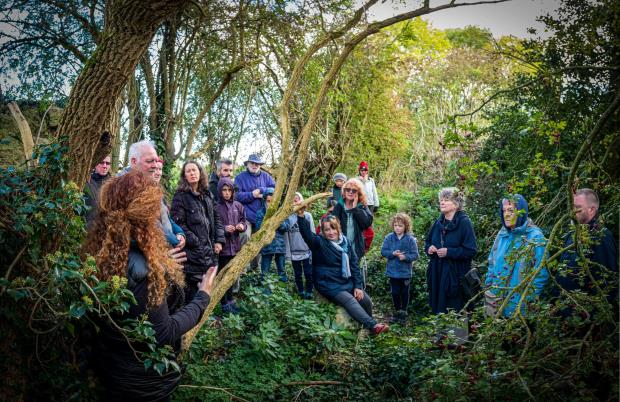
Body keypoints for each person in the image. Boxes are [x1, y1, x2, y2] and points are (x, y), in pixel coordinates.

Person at [85, 170, 218, 401]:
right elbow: (163, 332)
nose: (161, 212)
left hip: (113, 370)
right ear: (146, 213)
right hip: (143, 384)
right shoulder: (143, 270)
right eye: (157, 206)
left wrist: (162, 265)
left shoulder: (104, 249)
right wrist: (203, 297)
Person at [297, 213, 389, 335]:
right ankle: (373, 326)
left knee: (365, 299)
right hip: (328, 283)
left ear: (338, 228)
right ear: (323, 231)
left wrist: (357, 286)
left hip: (345, 281)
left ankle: (366, 326)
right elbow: (307, 235)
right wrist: (301, 217)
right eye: (327, 229)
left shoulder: (346, 242)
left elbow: (354, 265)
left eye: (333, 228)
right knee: (350, 300)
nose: (331, 232)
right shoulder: (319, 242)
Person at [119, 140, 187, 264]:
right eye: (150, 161)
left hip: (162, 257)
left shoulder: (150, 185)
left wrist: (179, 233)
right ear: (133, 162)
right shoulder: (121, 188)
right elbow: (133, 232)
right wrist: (169, 246)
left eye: (156, 160)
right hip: (140, 264)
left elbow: (163, 218)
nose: (155, 166)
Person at [485, 195, 548, 318]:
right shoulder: (502, 234)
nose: (506, 215)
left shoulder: (535, 237)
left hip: (519, 308)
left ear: (520, 212)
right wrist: (489, 289)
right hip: (495, 303)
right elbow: (492, 264)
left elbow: (541, 274)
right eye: (504, 211)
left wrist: (526, 300)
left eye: (510, 210)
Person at [171, 161, 225, 301]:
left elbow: (217, 218)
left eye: (194, 170)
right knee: (192, 291)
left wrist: (219, 240)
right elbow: (178, 225)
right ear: (184, 176)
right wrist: (197, 243)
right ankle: (192, 320)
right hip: (192, 253)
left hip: (210, 251)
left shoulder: (207, 195)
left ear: (200, 173)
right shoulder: (180, 196)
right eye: (188, 171)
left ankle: (204, 317)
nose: (192, 173)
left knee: (207, 286)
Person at [554, 189, 618, 300]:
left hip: (583, 311)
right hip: (564, 308)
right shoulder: (572, 233)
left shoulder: (601, 237)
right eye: (571, 207)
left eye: (577, 207)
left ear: (591, 210)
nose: (572, 212)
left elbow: (607, 284)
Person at [425, 188, 477, 314]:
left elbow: (471, 250)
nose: (442, 202)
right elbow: (427, 243)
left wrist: (450, 252)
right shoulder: (438, 222)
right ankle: (440, 334)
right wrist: (429, 249)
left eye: (446, 200)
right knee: (438, 309)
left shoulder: (464, 223)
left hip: (456, 277)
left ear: (456, 204)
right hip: (437, 273)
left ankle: (458, 334)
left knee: (455, 310)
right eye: (441, 200)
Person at [235, 154, 276, 269]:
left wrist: (261, 189)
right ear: (247, 164)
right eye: (252, 163)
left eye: (257, 163)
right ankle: (240, 267)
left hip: (261, 216)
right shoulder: (240, 178)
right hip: (245, 216)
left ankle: (255, 269)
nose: (254, 165)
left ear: (260, 165)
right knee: (245, 236)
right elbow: (236, 196)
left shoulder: (266, 177)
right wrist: (252, 194)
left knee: (257, 242)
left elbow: (274, 189)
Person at [381, 213, 419, 323]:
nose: (397, 228)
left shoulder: (410, 239)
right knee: (395, 292)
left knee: (404, 292)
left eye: (400, 226)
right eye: (396, 225)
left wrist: (405, 257)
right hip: (393, 272)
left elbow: (415, 255)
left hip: (405, 272)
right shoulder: (389, 238)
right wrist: (392, 253)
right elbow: (383, 252)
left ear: (406, 226)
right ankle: (397, 311)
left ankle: (404, 312)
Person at [215, 177, 246, 313]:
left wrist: (241, 226)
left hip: (236, 247)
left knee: (232, 276)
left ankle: (231, 300)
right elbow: (213, 227)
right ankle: (224, 304)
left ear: (233, 191)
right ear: (220, 191)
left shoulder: (238, 206)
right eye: (224, 190)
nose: (227, 193)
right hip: (223, 250)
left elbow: (244, 221)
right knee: (223, 277)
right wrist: (224, 229)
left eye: (229, 190)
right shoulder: (216, 207)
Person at [332, 178, 373, 261]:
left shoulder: (362, 206)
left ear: (358, 193)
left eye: (354, 190)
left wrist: (355, 209)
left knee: (354, 272)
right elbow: (332, 226)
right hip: (340, 248)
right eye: (348, 189)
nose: (350, 192)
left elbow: (366, 224)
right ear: (344, 191)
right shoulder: (339, 206)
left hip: (356, 249)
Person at [285, 192, 315, 299]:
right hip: (294, 251)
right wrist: (288, 254)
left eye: (297, 199)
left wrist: (313, 250)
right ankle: (301, 291)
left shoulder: (308, 216)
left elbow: (312, 232)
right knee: (297, 274)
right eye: (293, 200)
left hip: (306, 250)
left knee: (308, 273)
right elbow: (286, 237)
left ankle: (309, 291)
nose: (296, 201)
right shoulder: (287, 218)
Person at [255, 189, 288, 283]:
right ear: (264, 200)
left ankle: (282, 292)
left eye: (273, 201)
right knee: (265, 271)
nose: (271, 204)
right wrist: (269, 219)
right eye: (268, 201)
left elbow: (285, 227)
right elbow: (259, 230)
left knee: (281, 270)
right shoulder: (260, 212)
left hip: (279, 245)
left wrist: (277, 220)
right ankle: (265, 293)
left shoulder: (281, 212)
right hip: (266, 246)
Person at [151, 159, 186, 249]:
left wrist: (180, 233)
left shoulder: (160, 193)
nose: (158, 173)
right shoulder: (143, 195)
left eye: (160, 169)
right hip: (155, 246)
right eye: (155, 169)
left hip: (168, 245)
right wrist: (175, 240)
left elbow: (168, 219)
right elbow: (154, 225)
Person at [84, 155, 112, 227]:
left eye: (107, 163)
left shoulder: (114, 183)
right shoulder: (86, 181)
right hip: (86, 227)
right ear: (95, 163)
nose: (104, 166)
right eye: (101, 163)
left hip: (106, 228)